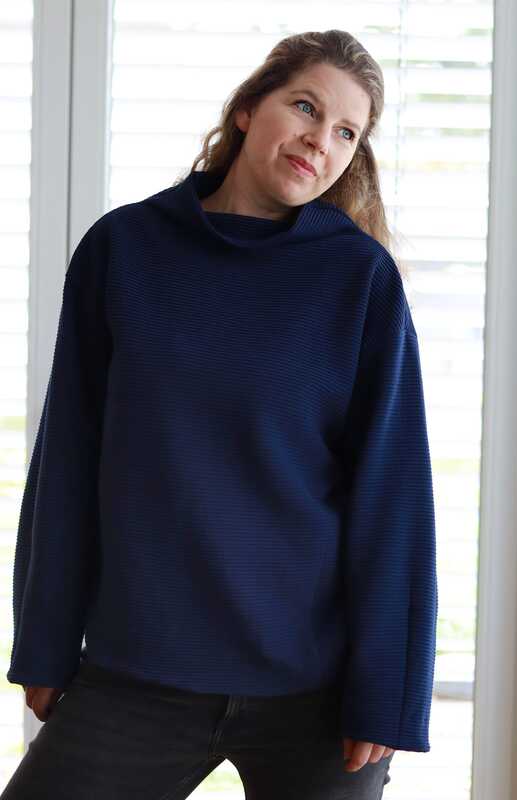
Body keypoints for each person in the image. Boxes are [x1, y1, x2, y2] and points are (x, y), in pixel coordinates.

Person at [1, 28, 437, 800]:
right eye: (305, 107)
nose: (320, 140)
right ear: (247, 108)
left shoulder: (357, 279)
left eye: (347, 132)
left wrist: (388, 691)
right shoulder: (124, 249)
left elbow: (392, 497)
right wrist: (45, 641)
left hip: (314, 689)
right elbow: (68, 456)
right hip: (139, 672)